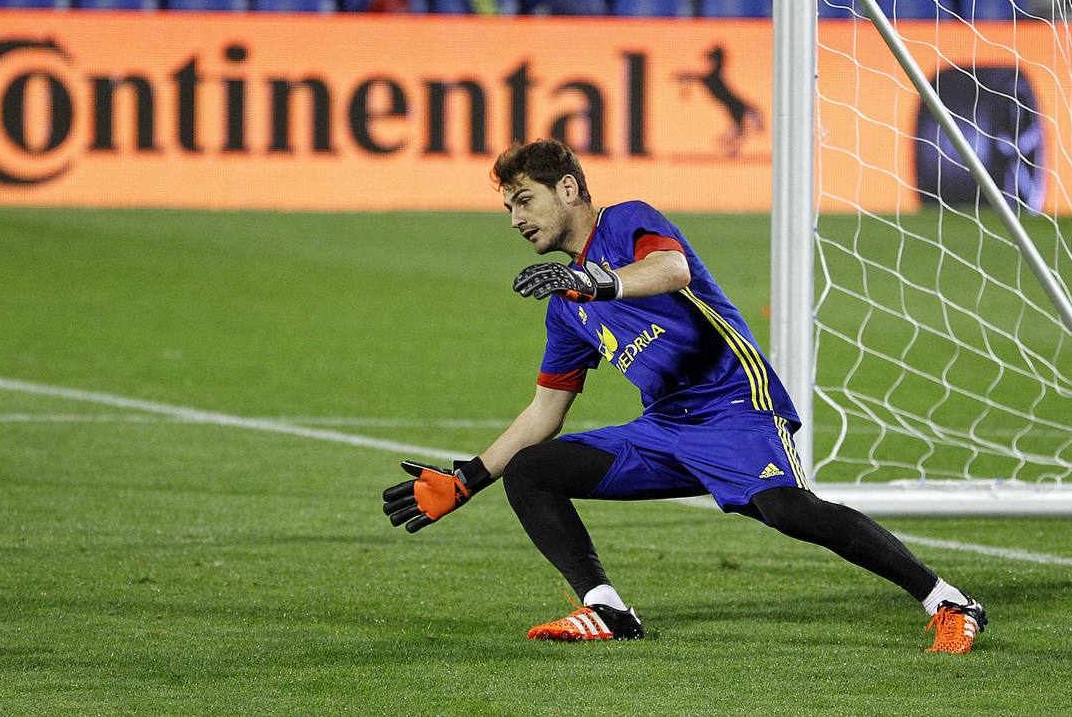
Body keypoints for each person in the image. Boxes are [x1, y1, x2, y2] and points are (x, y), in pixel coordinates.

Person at [382, 139, 988, 654]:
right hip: (666, 426)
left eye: (523, 200)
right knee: (533, 471)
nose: (515, 218)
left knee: (786, 509)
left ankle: (950, 603)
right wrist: (467, 479)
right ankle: (608, 611)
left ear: (567, 189)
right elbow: (546, 410)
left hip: (733, 403)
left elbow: (673, 271)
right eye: (508, 206)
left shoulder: (625, 222)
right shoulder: (566, 311)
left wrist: (592, 281)